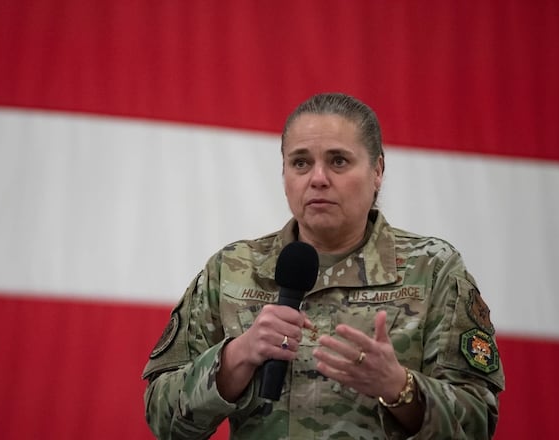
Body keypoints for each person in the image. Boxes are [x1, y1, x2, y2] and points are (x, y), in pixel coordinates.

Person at [142, 93, 504, 439]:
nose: (317, 178)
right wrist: (235, 358)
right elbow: (163, 420)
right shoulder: (232, 269)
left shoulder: (433, 269)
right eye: (300, 162)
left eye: (338, 161)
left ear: (377, 170)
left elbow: (476, 422)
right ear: (284, 174)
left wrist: (399, 387)